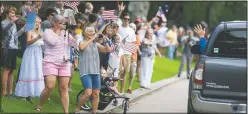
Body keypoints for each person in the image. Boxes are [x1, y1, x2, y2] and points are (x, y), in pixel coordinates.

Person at [34, 15, 78, 114]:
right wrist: (59, 30)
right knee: (49, 86)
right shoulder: (47, 32)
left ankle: (66, 112)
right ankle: (40, 105)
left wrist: (73, 34)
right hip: (50, 62)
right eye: (60, 23)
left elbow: (75, 45)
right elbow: (52, 42)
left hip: (64, 63)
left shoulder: (65, 33)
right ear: (54, 23)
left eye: (64, 23)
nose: (63, 25)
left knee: (64, 88)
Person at [75, 26, 111, 114]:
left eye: (93, 32)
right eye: (90, 31)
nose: (92, 33)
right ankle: (77, 109)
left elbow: (107, 50)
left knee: (96, 94)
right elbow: (82, 48)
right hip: (85, 71)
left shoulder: (96, 44)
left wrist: (105, 41)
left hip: (95, 72)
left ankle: (94, 112)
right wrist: (93, 39)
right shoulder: (81, 42)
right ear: (85, 33)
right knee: (88, 93)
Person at [14, 16, 45, 100]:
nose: (37, 24)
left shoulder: (40, 32)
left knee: (37, 70)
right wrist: (38, 38)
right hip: (30, 52)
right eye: (36, 22)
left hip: (38, 53)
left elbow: (42, 45)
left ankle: (34, 92)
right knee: (29, 70)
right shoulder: (29, 31)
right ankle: (24, 93)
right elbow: (28, 43)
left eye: (39, 22)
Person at [1, 6, 26, 97]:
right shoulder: (3, 23)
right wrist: (12, 22)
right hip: (7, 48)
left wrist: (23, 29)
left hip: (14, 48)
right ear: (7, 14)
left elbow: (15, 36)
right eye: (11, 13)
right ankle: (4, 91)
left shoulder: (14, 24)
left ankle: (10, 92)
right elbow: (5, 30)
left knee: (11, 70)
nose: (13, 15)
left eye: (14, 13)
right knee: (6, 69)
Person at [118, 13, 136, 94]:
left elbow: (133, 42)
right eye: (125, 18)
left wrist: (133, 54)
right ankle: (115, 88)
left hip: (128, 53)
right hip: (119, 52)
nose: (127, 20)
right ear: (122, 19)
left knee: (125, 72)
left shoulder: (131, 30)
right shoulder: (119, 28)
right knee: (119, 71)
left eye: (128, 19)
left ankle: (122, 91)